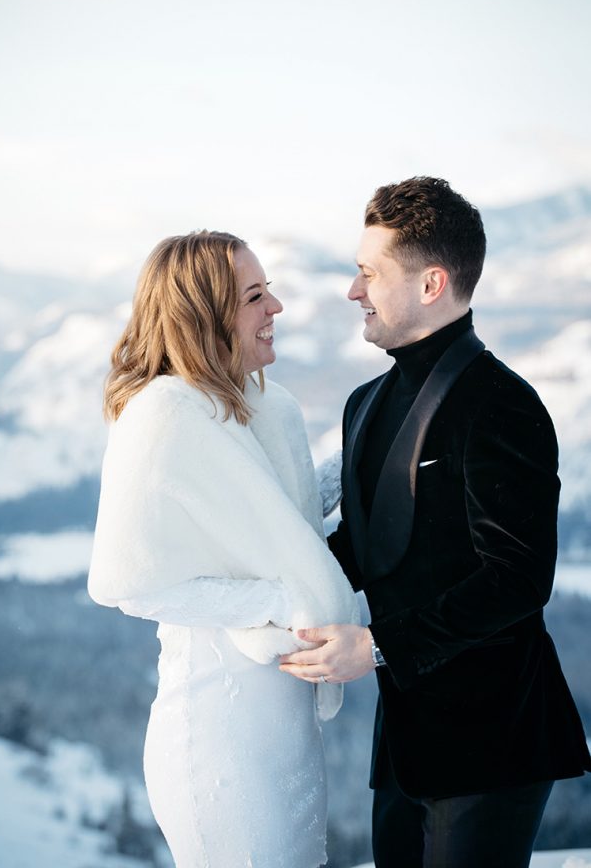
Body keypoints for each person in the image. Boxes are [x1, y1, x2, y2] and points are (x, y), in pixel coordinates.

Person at [279, 177, 591, 868]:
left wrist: (378, 645)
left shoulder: (502, 404)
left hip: (493, 748)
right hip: (402, 747)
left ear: (430, 285)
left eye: (368, 273)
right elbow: (357, 551)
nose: (352, 291)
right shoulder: (363, 402)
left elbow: (517, 579)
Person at [87, 230, 359, 868]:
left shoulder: (256, 402)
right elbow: (125, 582)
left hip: (282, 729)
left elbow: (271, 525)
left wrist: (359, 467)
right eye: (255, 296)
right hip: (219, 735)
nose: (277, 309)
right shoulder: (164, 416)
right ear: (205, 316)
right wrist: (277, 600)